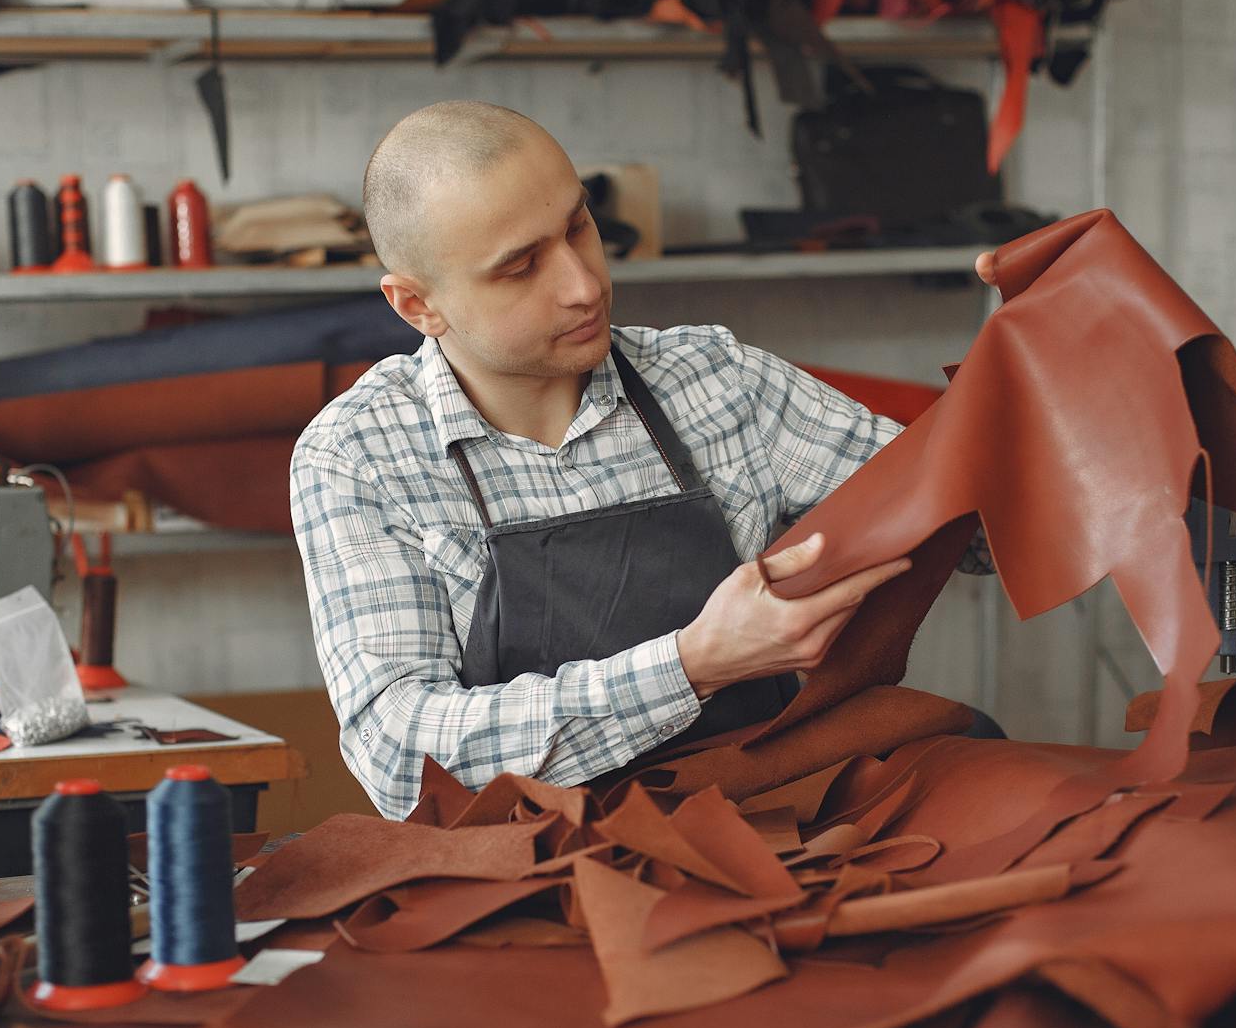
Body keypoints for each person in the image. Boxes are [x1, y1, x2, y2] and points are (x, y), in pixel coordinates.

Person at [291, 100, 941, 819]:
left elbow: (952, 507)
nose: (584, 284)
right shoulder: (359, 454)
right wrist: (693, 664)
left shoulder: (716, 379)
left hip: (769, 810)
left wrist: (1042, 379)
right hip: (525, 867)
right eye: (519, 267)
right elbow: (401, 760)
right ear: (418, 306)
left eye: (579, 227)